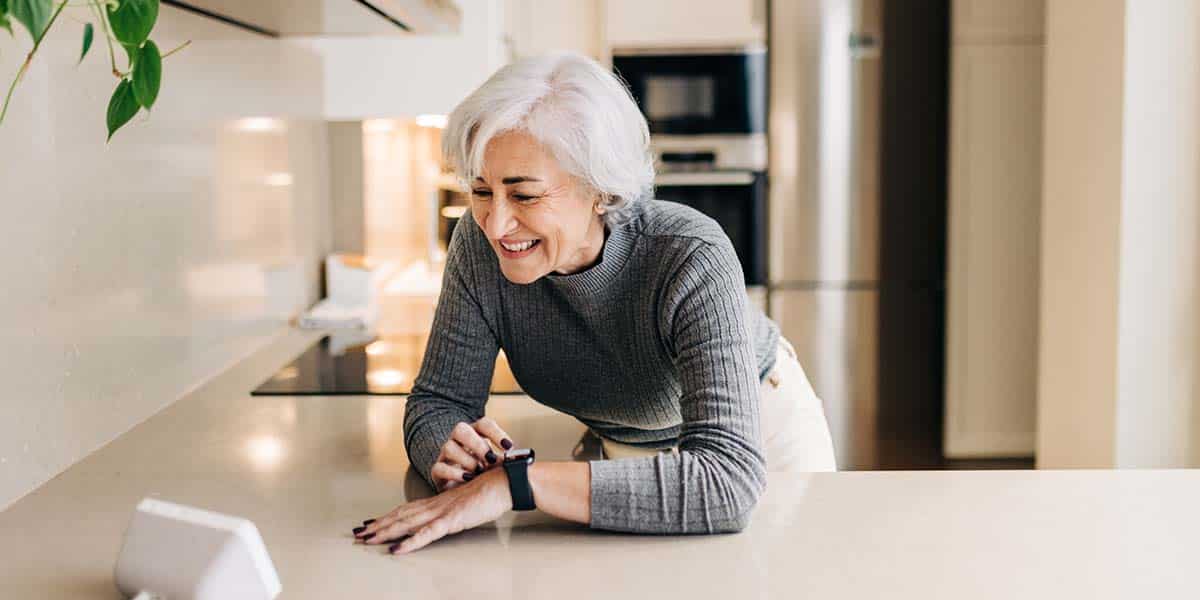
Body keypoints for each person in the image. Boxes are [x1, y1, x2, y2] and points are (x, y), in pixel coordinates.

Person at [353, 52, 836, 555]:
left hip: (761, 436)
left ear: (599, 190)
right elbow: (438, 402)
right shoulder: (477, 251)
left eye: (524, 196)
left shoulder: (689, 254)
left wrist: (515, 483)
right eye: (481, 190)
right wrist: (445, 447)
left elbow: (727, 483)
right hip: (625, 447)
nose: (495, 225)